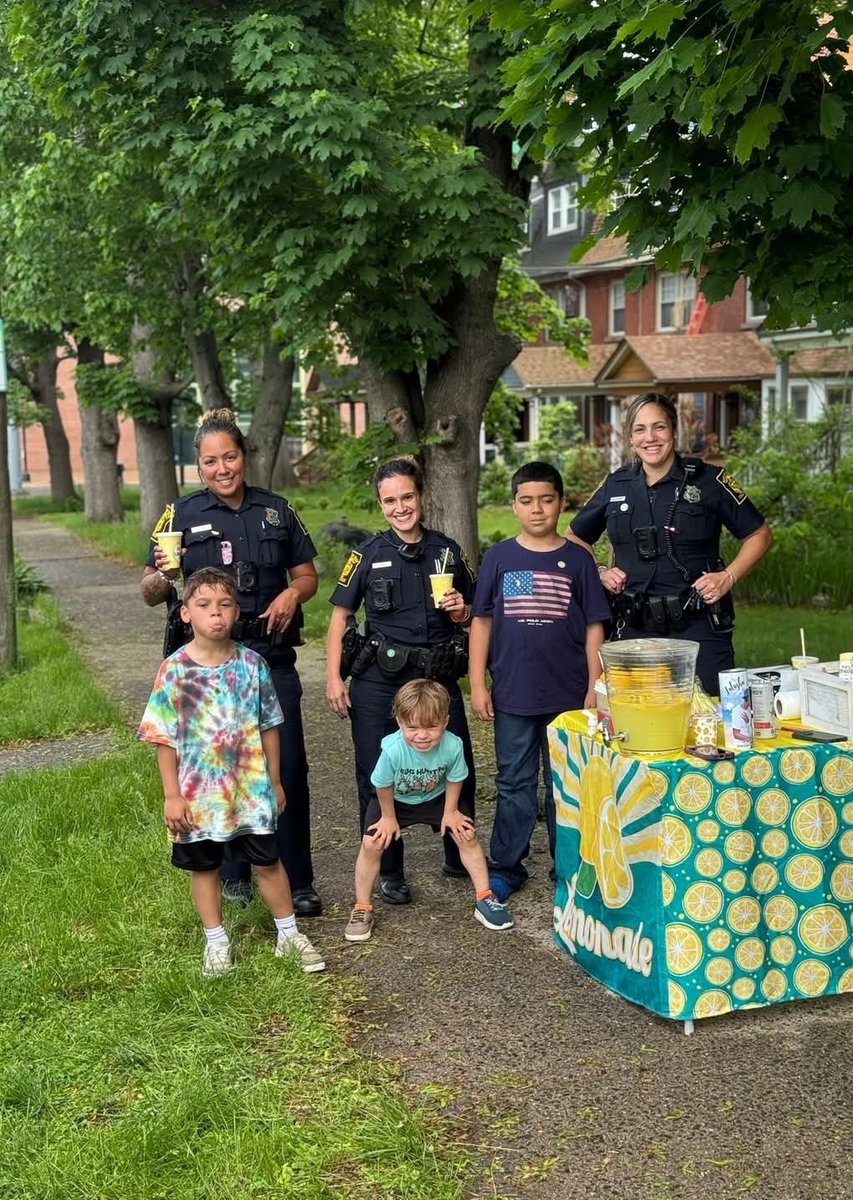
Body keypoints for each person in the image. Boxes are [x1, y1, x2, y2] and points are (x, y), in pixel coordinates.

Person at [140, 408, 322, 917]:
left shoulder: (277, 511)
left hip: (267, 656)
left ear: (244, 456)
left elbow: (308, 576)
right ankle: (235, 874)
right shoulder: (178, 515)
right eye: (210, 461)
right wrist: (163, 575)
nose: (222, 468)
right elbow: (149, 591)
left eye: (230, 457)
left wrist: (292, 594)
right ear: (198, 466)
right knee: (218, 768)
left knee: (285, 766)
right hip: (206, 664)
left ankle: (298, 877)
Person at [138, 568, 325, 976]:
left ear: (237, 612)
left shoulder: (253, 665)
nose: (216, 615)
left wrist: (274, 781)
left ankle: (289, 935)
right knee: (204, 867)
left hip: (250, 790)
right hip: (197, 795)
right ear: (186, 614)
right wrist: (172, 794)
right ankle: (216, 942)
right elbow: (162, 738)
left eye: (224, 605)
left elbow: (270, 727)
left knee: (269, 862)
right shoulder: (174, 671)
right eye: (204, 606)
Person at [326, 457, 476, 905]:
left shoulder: (447, 550)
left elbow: (475, 614)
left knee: (458, 761)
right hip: (380, 680)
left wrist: (460, 612)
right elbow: (339, 618)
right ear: (380, 505)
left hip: (436, 675)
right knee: (375, 772)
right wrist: (334, 677)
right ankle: (389, 869)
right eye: (390, 500)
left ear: (421, 496)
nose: (400, 507)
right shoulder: (367, 554)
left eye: (407, 497)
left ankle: (457, 851)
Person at [469, 461, 611, 903]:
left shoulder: (578, 561)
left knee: (563, 784)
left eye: (546, 500)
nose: (537, 510)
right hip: (512, 692)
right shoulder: (499, 557)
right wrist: (477, 682)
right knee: (513, 782)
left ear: (561, 503)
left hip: (567, 694)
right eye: (527, 501)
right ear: (513, 505)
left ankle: (566, 865)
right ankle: (507, 865)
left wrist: (594, 685)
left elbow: (594, 627)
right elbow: (481, 623)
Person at [569, 392, 773, 696]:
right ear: (630, 437)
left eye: (659, 427)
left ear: (674, 431)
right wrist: (599, 570)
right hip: (633, 627)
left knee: (710, 720)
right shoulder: (616, 484)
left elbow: (760, 535)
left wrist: (727, 576)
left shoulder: (709, 480)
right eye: (640, 429)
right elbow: (575, 537)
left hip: (698, 627)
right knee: (637, 720)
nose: (650, 437)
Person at [343, 680, 513, 942]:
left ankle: (484, 897)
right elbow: (381, 785)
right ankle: (362, 907)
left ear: (445, 721)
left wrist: (451, 811)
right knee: (371, 843)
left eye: (431, 727)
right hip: (395, 800)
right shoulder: (393, 749)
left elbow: (456, 778)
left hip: (437, 796)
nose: (422, 735)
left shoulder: (453, 745)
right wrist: (388, 818)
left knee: (466, 835)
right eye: (412, 727)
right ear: (399, 722)